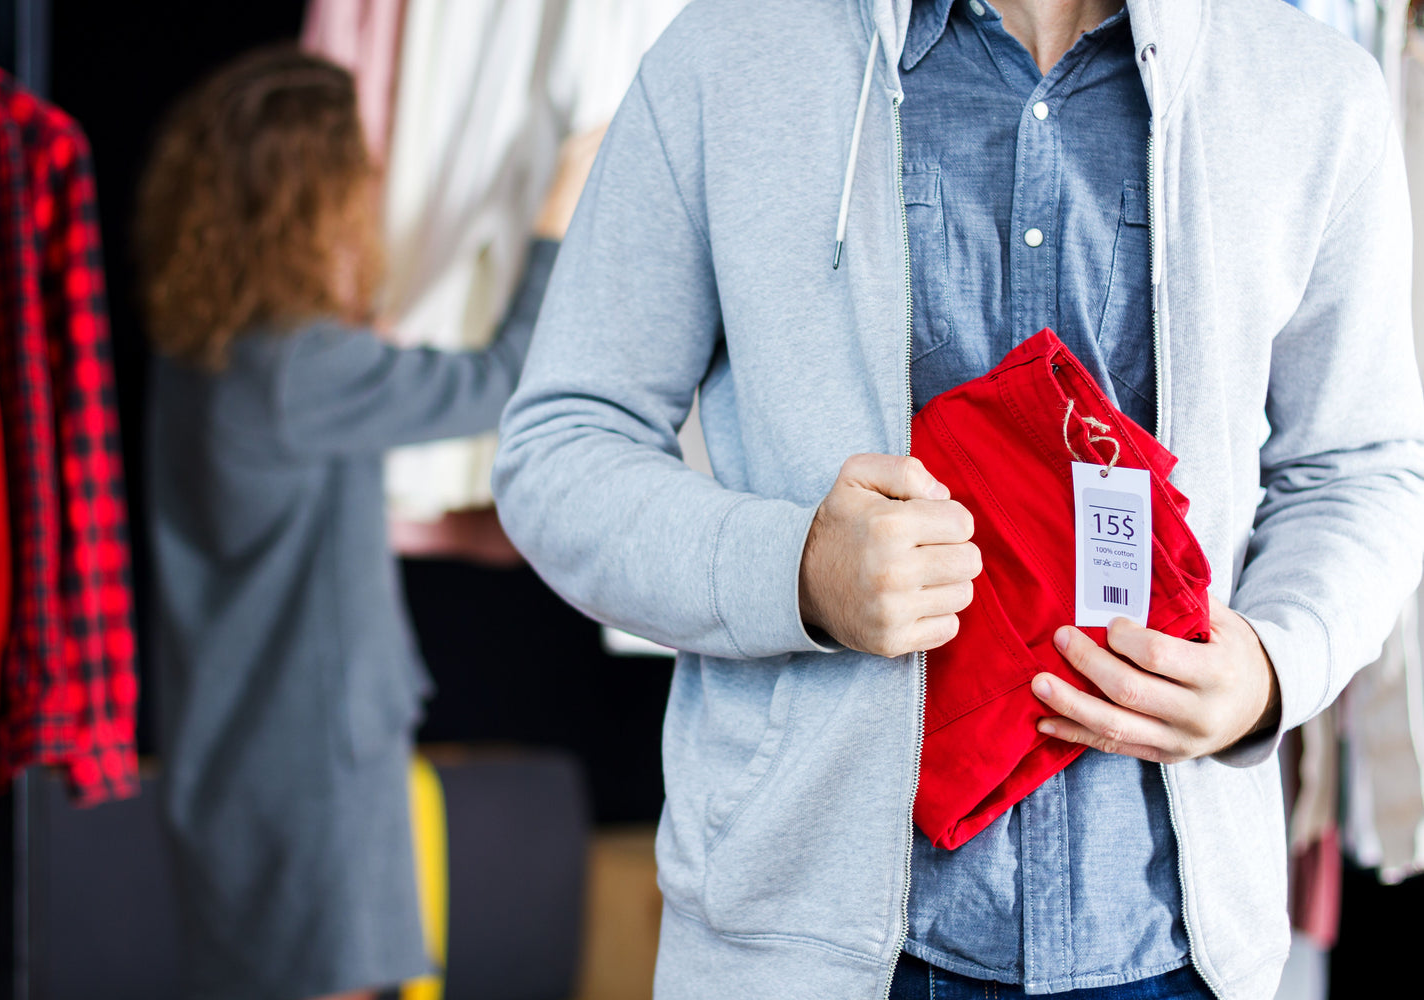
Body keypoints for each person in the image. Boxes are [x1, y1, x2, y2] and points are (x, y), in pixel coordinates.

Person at [492, 1, 1424, 998]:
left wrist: (1272, 667)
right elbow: (560, 450)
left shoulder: (1310, 86)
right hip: (811, 949)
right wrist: (796, 570)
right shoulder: (729, 54)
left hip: (1172, 947)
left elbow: (1363, 467)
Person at [137, 47, 594, 1000]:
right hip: (312, 775)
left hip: (230, 759)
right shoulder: (299, 373)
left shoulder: (206, 356)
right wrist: (557, 219)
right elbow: (502, 384)